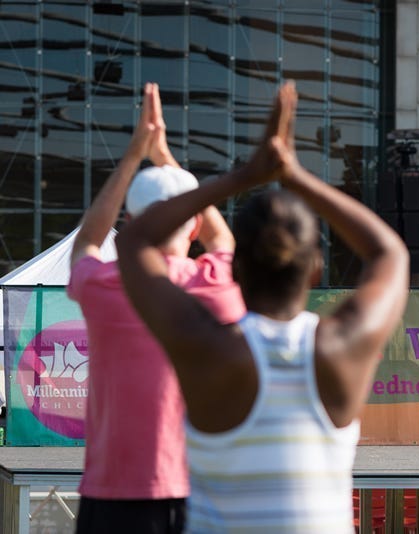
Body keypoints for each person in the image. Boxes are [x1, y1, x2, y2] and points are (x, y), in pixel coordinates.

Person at [115, 82, 409, 532]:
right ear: (315, 270)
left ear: (235, 270)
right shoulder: (340, 348)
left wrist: (243, 176)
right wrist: (295, 175)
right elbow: (390, 252)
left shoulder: (207, 348)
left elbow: (135, 241)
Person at [68, 83, 246, 534]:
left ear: (129, 224)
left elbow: (88, 240)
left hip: (111, 493)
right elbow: (222, 240)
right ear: (193, 227)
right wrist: (167, 160)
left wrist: (135, 155)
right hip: (194, 489)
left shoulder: (104, 286)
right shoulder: (210, 284)